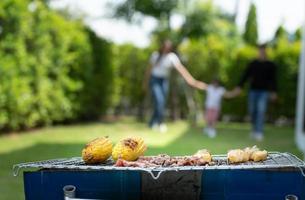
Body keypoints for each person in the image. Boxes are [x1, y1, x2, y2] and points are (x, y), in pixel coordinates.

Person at [143, 39, 202, 133]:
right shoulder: (155, 55)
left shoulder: (172, 57)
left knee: (161, 102)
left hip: (164, 81)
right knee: (159, 100)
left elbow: (180, 68)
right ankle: (160, 122)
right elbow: (149, 70)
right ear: (162, 46)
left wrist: (190, 80)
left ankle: (152, 123)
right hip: (154, 80)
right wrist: (145, 83)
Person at [233, 44, 277, 141]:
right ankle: (254, 130)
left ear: (265, 51)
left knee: (261, 111)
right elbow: (245, 76)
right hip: (253, 91)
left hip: (264, 92)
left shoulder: (271, 65)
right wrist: (239, 87)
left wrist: (273, 92)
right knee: (252, 111)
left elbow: (273, 80)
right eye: (260, 51)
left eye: (263, 51)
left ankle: (259, 132)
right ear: (258, 52)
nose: (261, 53)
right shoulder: (253, 64)